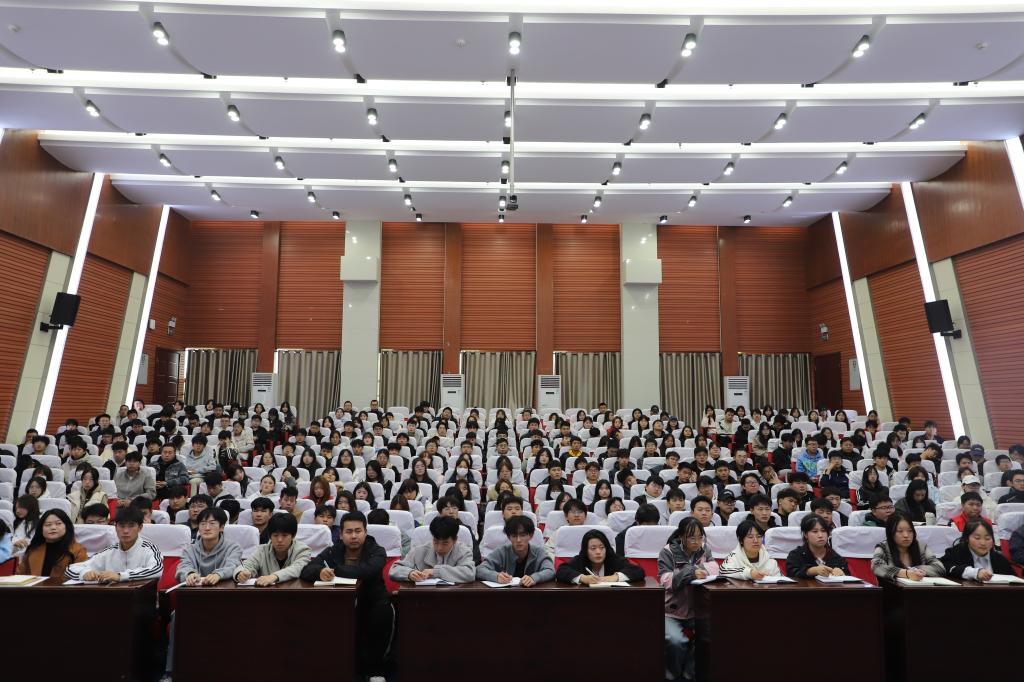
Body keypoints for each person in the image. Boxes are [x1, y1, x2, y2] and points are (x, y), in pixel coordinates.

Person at [300, 512, 394, 680]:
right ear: (341, 534)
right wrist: (320, 571)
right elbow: (307, 570)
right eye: (349, 532)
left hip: (372, 601)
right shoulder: (333, 550)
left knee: (382, 614)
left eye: (358, 531)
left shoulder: (377, 550)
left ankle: (376, 670)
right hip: (340, 602)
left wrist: (336, 570)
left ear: (365, 532)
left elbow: (368, 570)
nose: (354, 536)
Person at [659, 517, 719, 681]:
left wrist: (690, 571)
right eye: (692, 538)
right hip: (672, 610)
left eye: (700, 537)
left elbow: (715, 568)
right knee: (676, 641)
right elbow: (667, 581)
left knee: (712, 636)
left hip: (698, 610)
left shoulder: (704, 549)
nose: (697, 542)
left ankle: (689, 674)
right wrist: (692, 572)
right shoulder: (668, 552)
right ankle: (673, 676)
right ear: (681, 537)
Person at [65, 506, 163, 582]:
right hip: (112, 596)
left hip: (141, 597)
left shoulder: (149, 549)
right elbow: (70, 569)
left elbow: (157, 569)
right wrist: (84, 573)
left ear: (140, 528)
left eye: (131, 526)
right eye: (122, 526)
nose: (125, 531)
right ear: (115, 528)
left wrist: (120, 576)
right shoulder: (108, 552)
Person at [388, 516, 475, 584]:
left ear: (455, 540)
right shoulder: (420, 550)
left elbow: (470, 573)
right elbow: (394, 569)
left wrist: (436, 572)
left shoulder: (463, 551)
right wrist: (409, 573)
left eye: (445, 543)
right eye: (436, 542)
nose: (439, 548)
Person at [233, 513, 311, 586]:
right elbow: (247, 565)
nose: (279, 540)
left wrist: (274, 576)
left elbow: (297, 568)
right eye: (275, 535)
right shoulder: (262, 550)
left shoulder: (303, 550)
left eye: (284, 535)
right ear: (270, 536)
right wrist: (240, 573)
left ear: (293, 536)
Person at [476, 515, 554, 587]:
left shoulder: (539, 552)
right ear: (508, 537)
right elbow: (479, 569)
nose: (518, 540)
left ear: (530, 536)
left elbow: (550, 570)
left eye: (523, 535)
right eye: (514, 536)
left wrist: (534, 578)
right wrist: (496, 576)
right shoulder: (501, 551)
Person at [870, 513, 945, 582]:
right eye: (900, 531)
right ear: (891, 533)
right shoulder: (883, 547)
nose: (906, 535)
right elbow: (876, 566)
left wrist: (917, 571)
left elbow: (940, 568)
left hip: (921, 589)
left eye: (910, 531)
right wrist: (906, 573)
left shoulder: (921, 546)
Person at [555, 528, 645, 584]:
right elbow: (561, 571)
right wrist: (583, 578)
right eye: (593, 548)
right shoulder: (580, 560)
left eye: (602, 547)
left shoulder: (613, 559)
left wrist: (615, 577)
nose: (598, 552)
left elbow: (638, 571)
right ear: (586, 550)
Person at [16, 509, 87, 578]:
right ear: (41, 529)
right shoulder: (33, 549)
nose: (53, 527)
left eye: (58, 523)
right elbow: (19, 575)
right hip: (34, 586)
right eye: (48, 525)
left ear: (67, 526)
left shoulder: (78, 550)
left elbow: (80, 576)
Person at [940, 520, 1014, 581]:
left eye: (987, 538)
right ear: (967, 538)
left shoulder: (1000, 560)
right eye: (977, 538)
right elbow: (944, 567)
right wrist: (974, 573)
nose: (983, 543)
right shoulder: (955, 553)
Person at [785, 515, 850, 578]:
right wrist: (810, 571)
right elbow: (791, 574)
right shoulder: (796, 555)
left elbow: (848, 576)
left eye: (823, 531)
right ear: (805, 534)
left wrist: (842, 573)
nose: (820, 535)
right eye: (815, 531)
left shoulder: (836, 557)